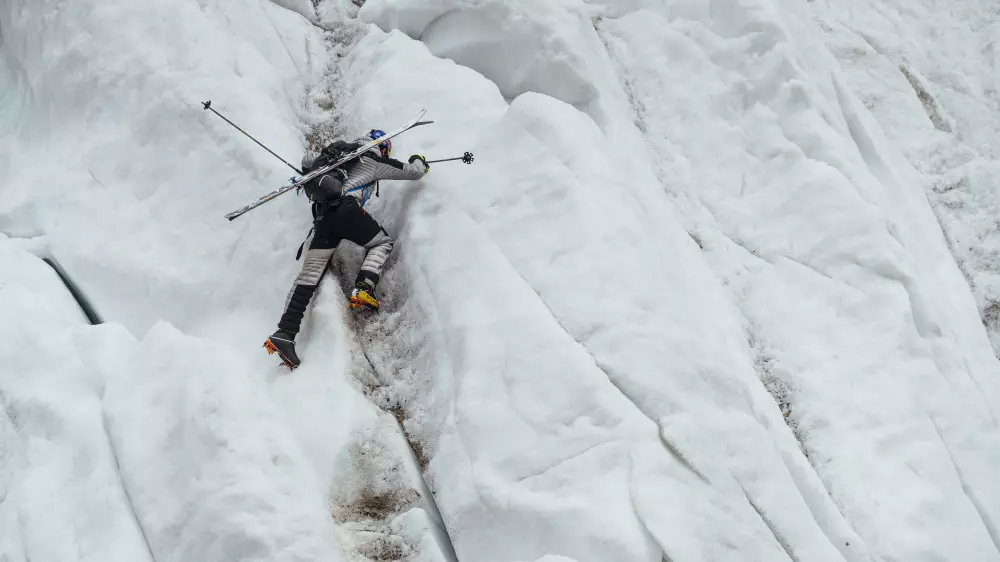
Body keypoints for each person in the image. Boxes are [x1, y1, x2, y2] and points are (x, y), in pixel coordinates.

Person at [264, 129, 429, 369]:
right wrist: (418, 159)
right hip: (347, 210)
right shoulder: (372, 159)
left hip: (323, 218)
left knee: (309, 277)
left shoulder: (337, 157)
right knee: (382, 242)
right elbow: (413, 172)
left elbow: (308, 160)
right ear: (383, 148)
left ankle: (285, 333)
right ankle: (363, 288)